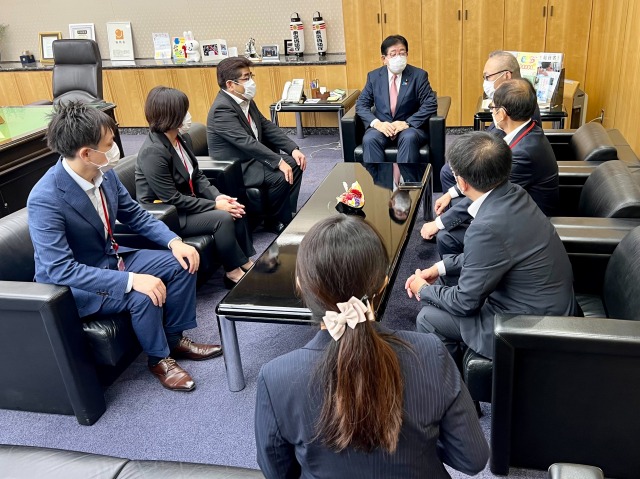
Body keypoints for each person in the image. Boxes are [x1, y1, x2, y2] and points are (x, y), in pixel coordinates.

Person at [255, 215, 489, 479]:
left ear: (300, 284)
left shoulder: (275, 378)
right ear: (383, 284)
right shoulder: (430, 352)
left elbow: (277, 472)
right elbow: (472, 459)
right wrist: (423, 437)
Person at [27, 102, 222, 393]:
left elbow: (135, 214)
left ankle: (173, 340)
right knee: (141, 294)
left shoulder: (104, 174)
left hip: (108, 258)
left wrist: (175, 242)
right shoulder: (46, 198)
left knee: (181, 262)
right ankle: (159, 359)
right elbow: (59, 269)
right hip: (72, 284)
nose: (115, 148)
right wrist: (130, 280)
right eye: (109, 144)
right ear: (86, 153)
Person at [405, 131, 576, 360]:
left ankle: (454, 382)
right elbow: (492, 255)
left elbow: (465, 303)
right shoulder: (515, 193)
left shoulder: (485, 228)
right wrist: (440, 268)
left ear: (462, 183)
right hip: (549, 304)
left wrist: (423, 290)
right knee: (445, 286)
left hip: (529, 326)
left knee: (428, 317)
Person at [422, 79, 559, 256]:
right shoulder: (527, 131)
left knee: (447, 236)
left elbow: (490, 193)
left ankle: (466, 270)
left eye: (493, 108)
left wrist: (439, 223)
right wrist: (451, 193)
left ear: (502, 114)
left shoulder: (523, 154)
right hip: (513, 203)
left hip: (526, 221)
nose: (492, 112)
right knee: (455, 205)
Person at [136, 86, 255, 288]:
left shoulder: (181, 138)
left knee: (233, 205)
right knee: (222, 217)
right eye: (184, 110)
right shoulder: (153, 152)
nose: (188, 115)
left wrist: (217, 197)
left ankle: (246, 262)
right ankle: (233, 272)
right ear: (172, 115)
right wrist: (214, 206)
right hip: (168, 214)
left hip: (187, 202)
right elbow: (171, 198)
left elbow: (197, 175)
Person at [207, 57, 306, 234]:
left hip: (251, 158)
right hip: (237, 166)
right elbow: (246, 142)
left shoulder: (245, 99)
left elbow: (265, 125)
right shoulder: (221, 109)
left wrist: (292, 148)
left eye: (251, 76)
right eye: (246, 78)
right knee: (279, 175)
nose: (251, 82)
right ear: (230, 84)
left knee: (296, 163)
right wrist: (278, 161)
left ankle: (286, 214)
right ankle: (272, 221)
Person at [440, 50, 542, 191]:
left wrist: (453, 192)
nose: (485, 82)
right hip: (495, 162)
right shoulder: (512, 101)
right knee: (450, 169)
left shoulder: (522, 147)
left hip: (498, 175)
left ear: (506, 75)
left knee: (449, 172)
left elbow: (497, 189)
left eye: (487, 77)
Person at [356, 34, 437, 164]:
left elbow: (430, 103)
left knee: (409, 138)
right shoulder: (374, 77)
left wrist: (407, 123)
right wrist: (377, 124)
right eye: (393, 54)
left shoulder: (418, 75)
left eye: (402, 53)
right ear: (384, 59)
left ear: (407, 54)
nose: (398, 57)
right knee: (370, 139)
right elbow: (361, 104)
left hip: (409, 128)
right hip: (382, 126)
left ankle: (405, 177)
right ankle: (377, 177)